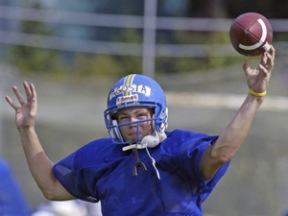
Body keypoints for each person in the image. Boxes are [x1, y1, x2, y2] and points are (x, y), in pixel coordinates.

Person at [5, 46, 275, 216]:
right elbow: (52, 188)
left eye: (139, 114)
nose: (131, 123)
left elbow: (222, 153)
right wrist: (27, 129)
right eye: (123, 116)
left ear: (157, 115)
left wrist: (255, 96)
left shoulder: (176, 149)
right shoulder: (101, 156)